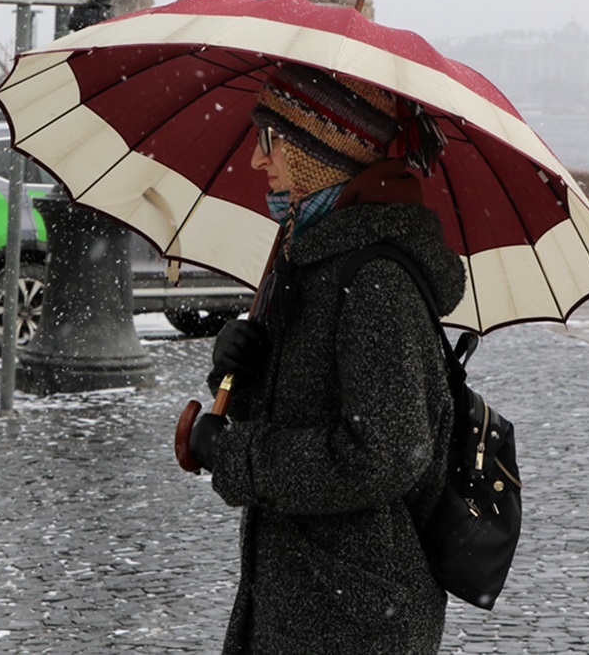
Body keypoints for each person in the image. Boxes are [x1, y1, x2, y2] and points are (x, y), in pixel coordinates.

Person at [187, 61, 467, 654]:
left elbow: (385, 454)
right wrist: (241, 367)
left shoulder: (373, 282)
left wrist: (236, 455)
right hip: (310, 595)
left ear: (320, 153)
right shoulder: (308, 262)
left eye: (271, 142)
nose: (258, 161)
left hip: (352, 614)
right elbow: (308, 401)